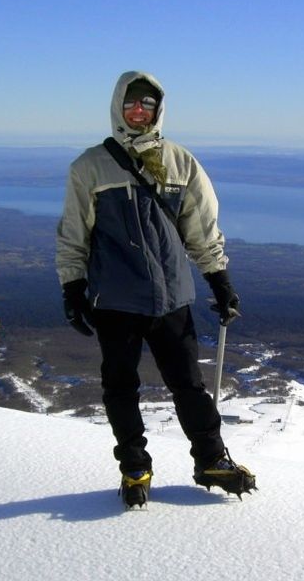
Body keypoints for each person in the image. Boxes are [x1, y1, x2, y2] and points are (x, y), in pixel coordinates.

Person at [56, 70, 257, 508]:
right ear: (118, 107)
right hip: (115, 300)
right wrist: (73, 288)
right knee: (121, 387)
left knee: (189, 385)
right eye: (132, 103)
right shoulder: (90, 166)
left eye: (147, 105)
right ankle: (134, 467)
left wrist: (218, 279)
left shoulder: (181, 162)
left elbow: (201, 228)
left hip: (170, 298)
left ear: (158, 111)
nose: (139, 111)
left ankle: (211, 459)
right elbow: (74, 234)